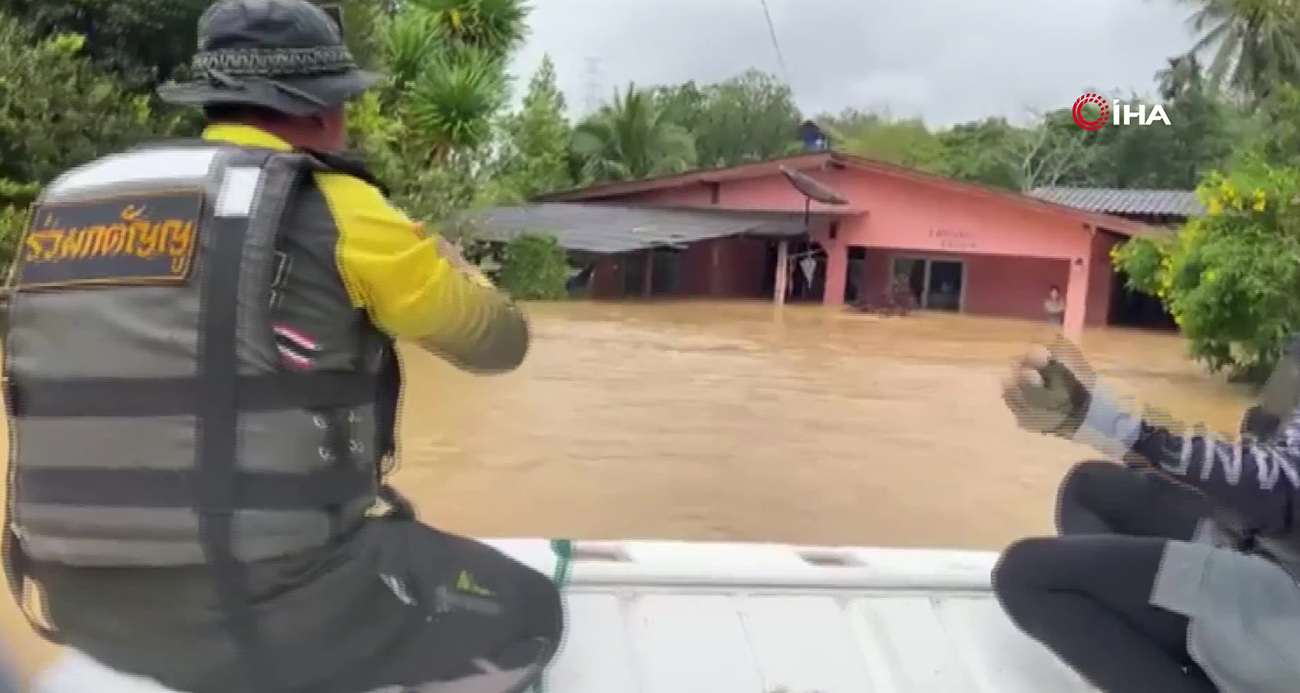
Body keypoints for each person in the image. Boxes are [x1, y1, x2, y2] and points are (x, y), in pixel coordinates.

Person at [3, 2, 563, 692]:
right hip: (262, 608)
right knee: (528, 610)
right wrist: (455, 262)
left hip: (74, 604)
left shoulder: (67, 205)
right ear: (324, 110)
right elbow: (497, 341)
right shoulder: (338, 207)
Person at [995, 338, 1300, 693]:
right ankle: (1173, 644)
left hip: (1285, 608)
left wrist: (1097, 418)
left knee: (1026, 574)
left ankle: (1203, 654)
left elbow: (1275, 488)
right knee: (1090, 488)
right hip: (1270, 549)